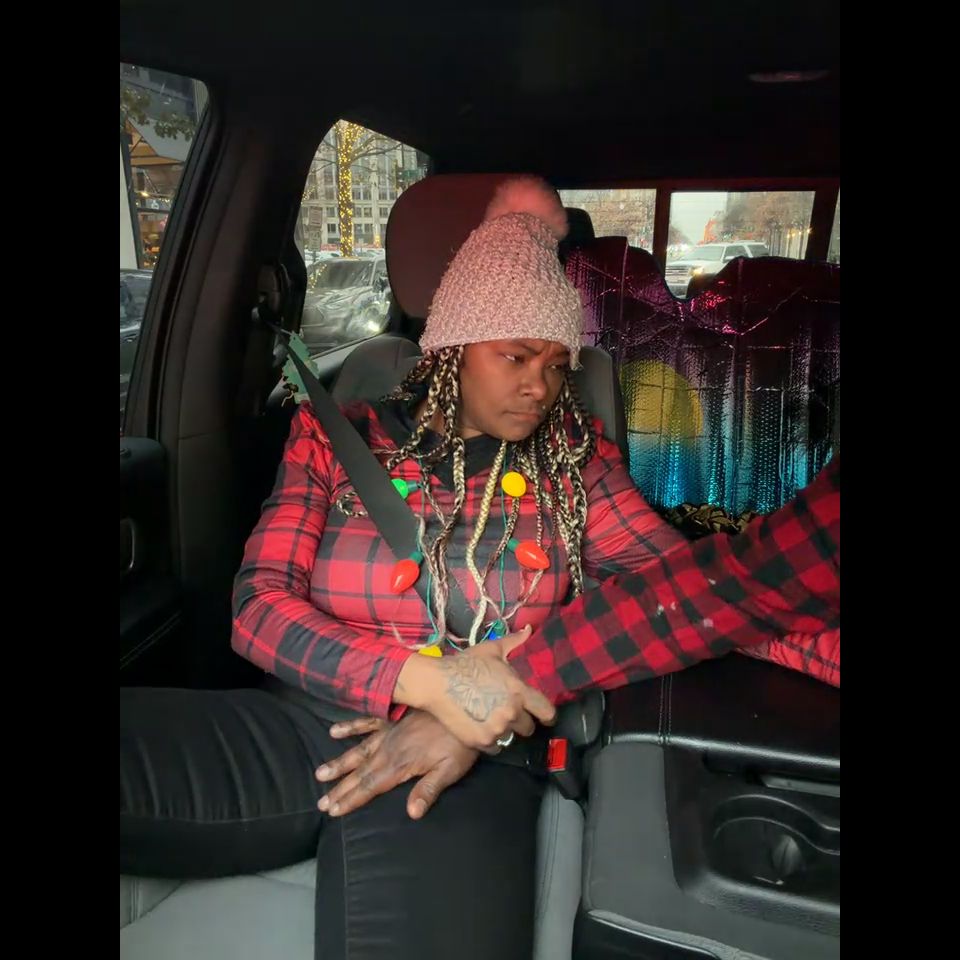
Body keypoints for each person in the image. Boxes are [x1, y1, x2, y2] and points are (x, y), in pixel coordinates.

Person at [120, 176, 839, 960]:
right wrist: (426, 683)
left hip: (475, 753)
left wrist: (821, 646)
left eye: (558, 363)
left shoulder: (576, 463)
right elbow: (257, 607)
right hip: (301, 719)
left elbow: (698, 592)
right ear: (454, 348)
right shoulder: (337, 438)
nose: (540, 385)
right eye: (516, 356)